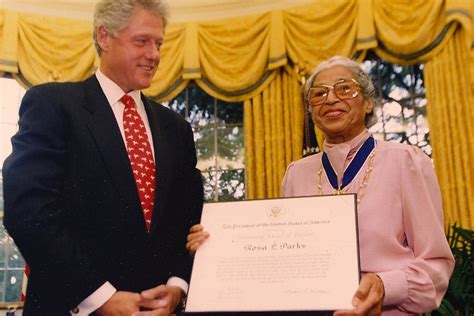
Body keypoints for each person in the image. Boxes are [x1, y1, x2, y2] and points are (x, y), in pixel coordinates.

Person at [186, 56, 454, 315]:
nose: (331, 99)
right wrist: (216, 246)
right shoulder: (296, 174)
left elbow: (436, 266)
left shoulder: (405, 161)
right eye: (319, 94)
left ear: (368, 103)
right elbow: (280, 256)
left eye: (345, 88)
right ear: (311, 110)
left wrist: (386, 286)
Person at [2, 0, 203, 315]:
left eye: (159, 43)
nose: (154, 54)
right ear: (104, 37)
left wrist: (178, 287)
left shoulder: (176, 128)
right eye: (142, 41)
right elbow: (29, 211)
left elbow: (190, 221)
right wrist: (100, 298)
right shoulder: (52, 105)